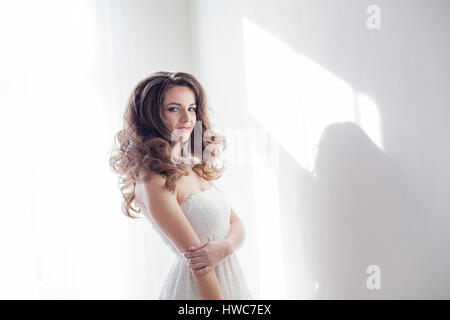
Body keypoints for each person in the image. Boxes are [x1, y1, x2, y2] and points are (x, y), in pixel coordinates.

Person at [109, 71, 252, 300]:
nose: (187, 119)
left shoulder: (192, 165)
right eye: (174, 109)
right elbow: (200, 267)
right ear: (151, 116)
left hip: (229, 283)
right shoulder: (153, 181)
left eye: (192, 108)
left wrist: (224, 248)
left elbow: (238, 225)